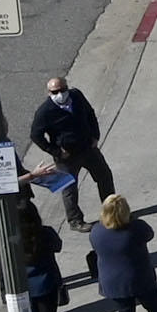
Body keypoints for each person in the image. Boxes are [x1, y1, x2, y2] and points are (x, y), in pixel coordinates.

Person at [27, 75, 114, 226]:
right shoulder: (44, 112)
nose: (60, 94)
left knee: (104, 177)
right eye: (54, 92)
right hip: (67, 157)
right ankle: (75, 220)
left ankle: (112, 212)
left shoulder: (76, 96)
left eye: (62, 90)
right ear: (49, 93)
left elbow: (90, 113)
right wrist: (56, 152)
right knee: (69, 189)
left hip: (88, 148)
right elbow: (36, 135)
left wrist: (95, 135)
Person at [9, 202, 66, 312]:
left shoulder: (12, 240)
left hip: (24, 287)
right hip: (47, 283)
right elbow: (58, 246)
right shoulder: (45, 233)